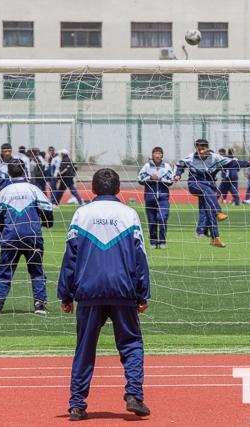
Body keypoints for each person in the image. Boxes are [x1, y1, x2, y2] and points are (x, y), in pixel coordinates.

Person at [57, 168, 151, 421]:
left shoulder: (82, 214)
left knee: (85, 348)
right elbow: (140, 257)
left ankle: (77, 405)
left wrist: (65, 294)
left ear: (93, 189)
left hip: (88, 291)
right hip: (123, 290)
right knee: (131, 343)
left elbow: (70, 257)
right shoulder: (129, 214)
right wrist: (143, 294)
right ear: (118, 189)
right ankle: (134, 395)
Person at [0, 159, 54, 315]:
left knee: (5, 270)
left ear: (8, 172)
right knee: (36, 270)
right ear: (24, 170)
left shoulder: (5, 191)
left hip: (10, 237)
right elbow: (47, 208)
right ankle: (39, 304)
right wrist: (48, 222)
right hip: (32, 236)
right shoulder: (33, 189)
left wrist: (0, 238)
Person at [174, 139, 244, 248]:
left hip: (208, 188)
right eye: (199, 149)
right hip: (195, 185)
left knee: (209, 210)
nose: (201, 151)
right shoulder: (191, 157)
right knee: (208, 196)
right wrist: (178, 174)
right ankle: (216, 214)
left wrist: (249, 163)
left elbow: (232, 163)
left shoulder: (215, 158)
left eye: (203, 149)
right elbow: (180, 164)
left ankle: (215, 238)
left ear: (207, 148)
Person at [138, 146, 174, 249]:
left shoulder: (166, 166)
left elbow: (170, 180)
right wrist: (150, 178)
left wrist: (160, 179)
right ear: (152, 155)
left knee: (162, 218)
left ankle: (162, 242)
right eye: (155, 153)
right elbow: (140, 178)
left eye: (159, 153)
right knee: (152, 221)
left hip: (163, 198)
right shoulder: (147, 166)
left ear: (162, 155)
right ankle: (153, 242)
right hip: (150, 198)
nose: (157, 155)